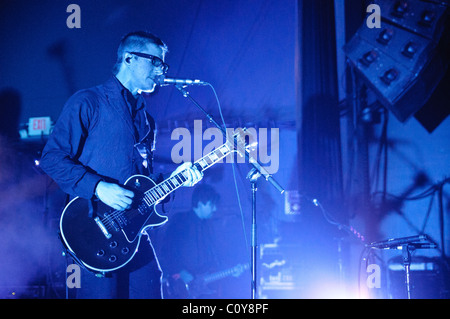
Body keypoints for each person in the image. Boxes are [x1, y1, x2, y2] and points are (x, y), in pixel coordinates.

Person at [39, 31, 203, 299]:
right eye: (155, 62)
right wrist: (99, 187)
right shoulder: (88, 102)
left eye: (163, 65)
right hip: (93, 230)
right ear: (129, 58)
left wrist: (175, 178)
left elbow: (141, 184)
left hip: (133, 232)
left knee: (152, 286)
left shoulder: (146, 120)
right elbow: (52, 158)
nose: (161, 71)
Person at [159, 184, 248, 299]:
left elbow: (213, 258)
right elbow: (166, 251)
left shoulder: (208, 226)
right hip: (181, 287)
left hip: (204, 287)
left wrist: (230, 270)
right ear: (201, 203)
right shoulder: (180, 221)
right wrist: (179, 271)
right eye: (212, 205)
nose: (215, 209)